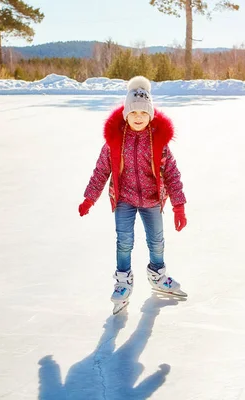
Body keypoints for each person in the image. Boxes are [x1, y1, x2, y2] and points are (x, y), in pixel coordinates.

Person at [78, 76, 187, 311]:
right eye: (134, 114)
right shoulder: (115, 142)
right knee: (124, 241)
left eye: (143, 114)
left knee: (156, 241)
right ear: (126, 115)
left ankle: (158, 275)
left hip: (151, 200)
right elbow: (101, 170)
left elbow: (172, 174)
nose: (139, 118)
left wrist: (179, 205)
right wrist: (90, 198)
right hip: (124, 199)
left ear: (151, 115)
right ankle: (123, 281)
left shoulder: (158, 143)